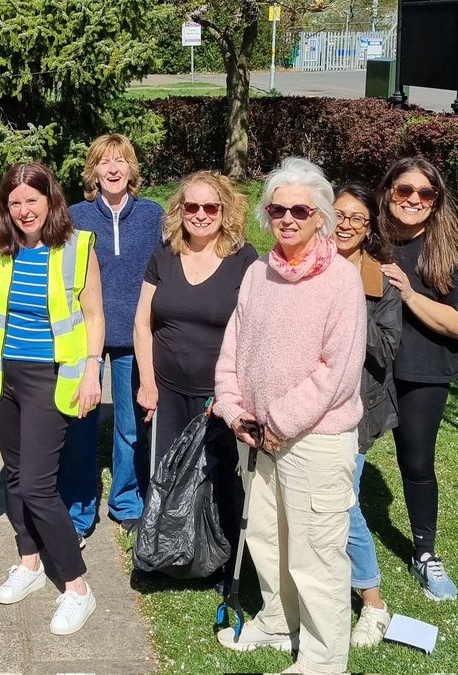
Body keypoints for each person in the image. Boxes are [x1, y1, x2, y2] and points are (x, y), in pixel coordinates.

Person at [214, 157, 365, 673]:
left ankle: (324, 660)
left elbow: (337, 372)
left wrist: (277, 420)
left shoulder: (342, 281)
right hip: (254, 435)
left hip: (313, 440)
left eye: (300, 209)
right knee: (267, 538)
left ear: (320, 215)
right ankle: (279, 622)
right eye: (277, 208)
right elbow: (235, 346)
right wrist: (235, 411)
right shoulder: (258, 271)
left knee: (316, 554)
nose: (288, 218)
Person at [0, 162, 102, 634]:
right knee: (16, 474)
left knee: (39, 485)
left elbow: (94, 315)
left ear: (51, 201)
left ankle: (78, 588)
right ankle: (28, 562)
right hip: (1, 374)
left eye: (33, 200)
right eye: (15, 201)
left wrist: (91, 371)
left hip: (51, 377)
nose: (24, 210)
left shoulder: (77, 247)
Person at [133, 171, 257, 585]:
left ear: (225, 211)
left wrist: (234, 394)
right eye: (192, 206)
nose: (200, 214)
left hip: (217, 394)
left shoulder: (245, 259)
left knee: (218, 476)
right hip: (167, 388)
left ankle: (220, 559)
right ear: (179, 211)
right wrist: (148, 384)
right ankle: (167, 556)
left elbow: (255, 332)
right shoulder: (164, 254)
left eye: (210, 207)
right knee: (166, 473)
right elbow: (142, 322)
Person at [59, 134, 164, 537]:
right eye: (105, 162)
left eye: (121, 161)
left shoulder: (152, 215)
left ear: (131, 169)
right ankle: (80, 512)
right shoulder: (75, 217)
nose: (114, 169)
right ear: (94, 171)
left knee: (129, 425)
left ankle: (126, 502)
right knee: (80, 421)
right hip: (85, 339)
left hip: (133, 338)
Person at [378, 157, 458, 602]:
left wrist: (408, 293)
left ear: (436, 201)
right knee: (344, 459)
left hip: (423, 371)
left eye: (425, 194)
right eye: (405, 190)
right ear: (389, 190)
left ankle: (425, 552)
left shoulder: (448, 248)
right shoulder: (369, 237)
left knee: (417, 463)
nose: (413, 200)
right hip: (367, 366)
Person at [331, 184, 399, 646]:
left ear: (369, 228)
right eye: (339, 213)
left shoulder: (379, 282)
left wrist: (351, 298)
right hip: (310, 407)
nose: (346, 225)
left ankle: (373, 602)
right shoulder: (307, 266)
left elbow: (386, 350)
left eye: (357, 218)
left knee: (345, 501)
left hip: (356, 410)